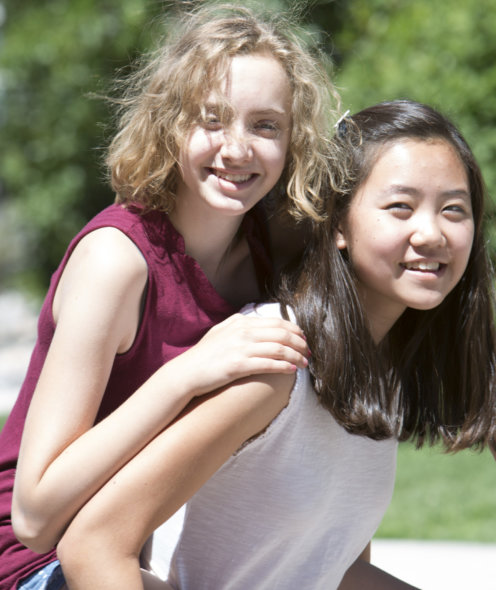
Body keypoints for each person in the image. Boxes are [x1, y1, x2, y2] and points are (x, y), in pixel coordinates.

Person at [54, 99, 496, 589]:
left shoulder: (387, 360)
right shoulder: (276, 359)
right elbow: (93, 546)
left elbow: (331, 569)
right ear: (337, 226)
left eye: (454, 210)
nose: (431, 233)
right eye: (400, 207)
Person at [0, 4, 344, 589]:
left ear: (292, 141)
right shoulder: (118, 261)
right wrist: (191, 371)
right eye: (213, 119)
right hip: (32, 567)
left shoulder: (265, 252)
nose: (237, 149)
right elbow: (34, 515)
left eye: (265, 126)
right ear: (171, 124)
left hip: (124, 555)